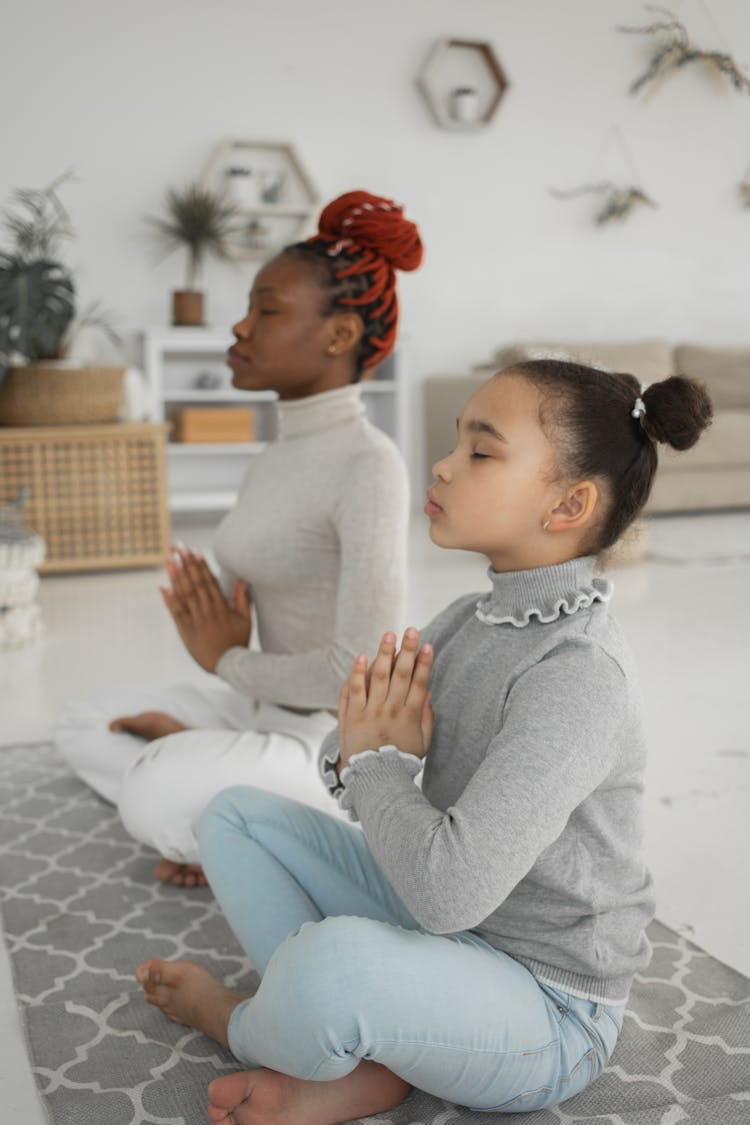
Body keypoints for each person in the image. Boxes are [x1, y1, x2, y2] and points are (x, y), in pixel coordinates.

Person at [134, 358, 713, 1122]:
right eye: (455, 442)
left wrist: (379, 762)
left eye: (481, 450)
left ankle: (243, 1021)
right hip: (435, 914)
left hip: (544, 1003)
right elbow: (336, 765)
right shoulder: (465, 622)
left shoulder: (579, 674)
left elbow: (444, 889)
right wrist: (369, 754)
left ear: (569, 503)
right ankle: (370, 1052)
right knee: (234, 815)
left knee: (331, 963)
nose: (442, 463)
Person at [55, 189, 423, 886]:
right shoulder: (274, 456)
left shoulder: (370, 466)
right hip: (250, 710)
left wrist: (225, 658)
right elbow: (241, 604)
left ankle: (215, 805)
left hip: (323, 745)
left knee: (150, 789)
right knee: (82, 721)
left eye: (267, 310)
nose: (239, 328)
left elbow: (355, 668)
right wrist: (225, 656)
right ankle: (220, 809)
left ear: (339, 335)